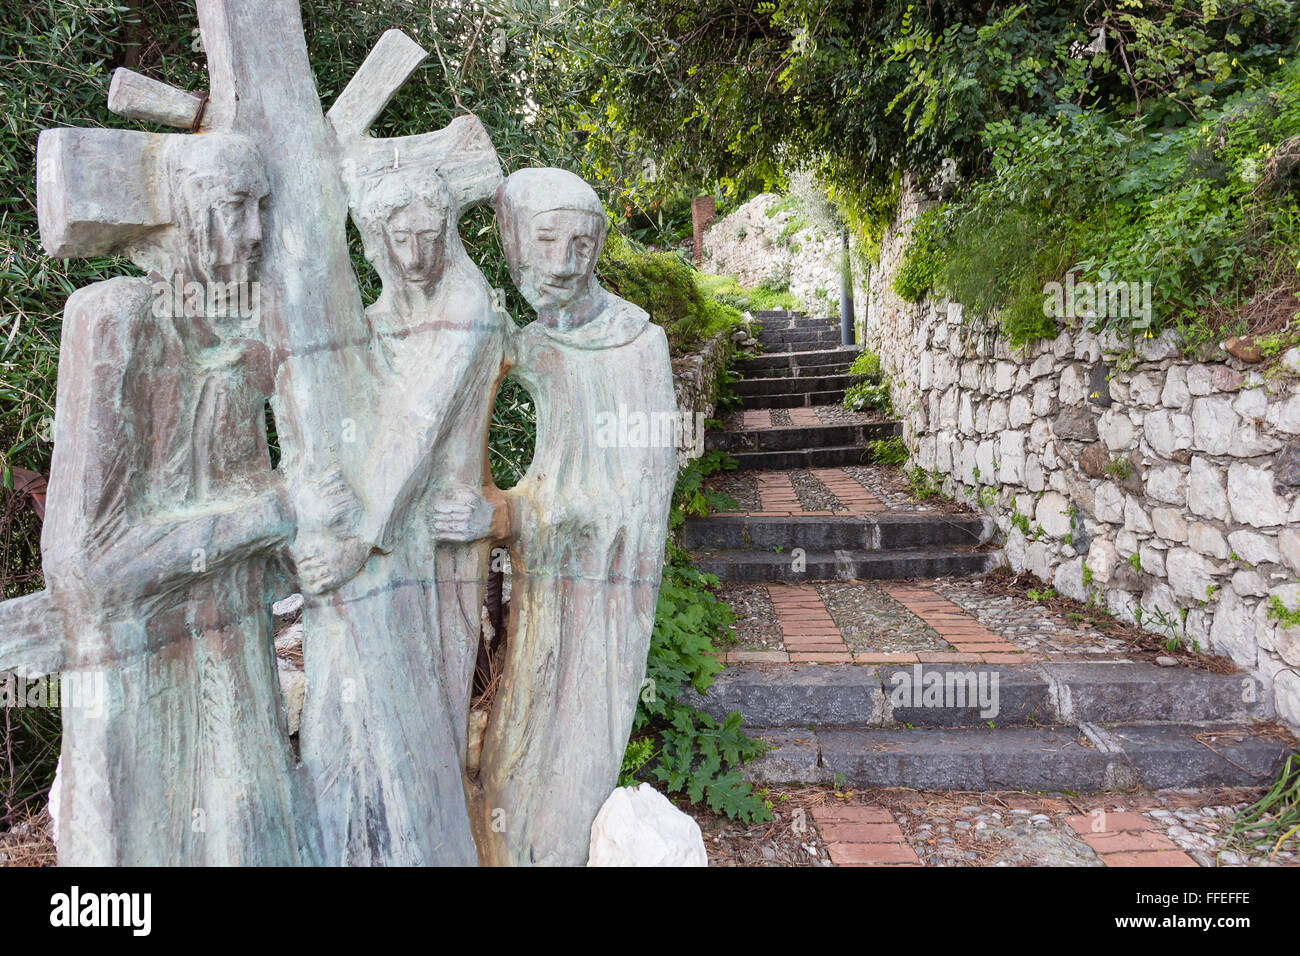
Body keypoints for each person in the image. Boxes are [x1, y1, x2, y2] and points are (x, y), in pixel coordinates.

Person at [44, 133, 319, 865]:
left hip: (234, 650)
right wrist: (267, 516)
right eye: (233, 208)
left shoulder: (248, 324)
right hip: (141, 678)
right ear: (179, 212)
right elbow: (85, 568)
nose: (257, 231)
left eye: (261, 207)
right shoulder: (117, 319)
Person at [293, 167, 506, 865]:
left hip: (432, 536)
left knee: (434, 698)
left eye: (429, 234)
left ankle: (425, 840)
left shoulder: (465, 304)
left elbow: (418, 422)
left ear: (449, 232)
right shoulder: (380, 309)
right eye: (400, 237)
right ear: (378, 240)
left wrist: (359, 537)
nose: (416, 253)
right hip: (383, 530)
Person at [475, 167, 678, 866]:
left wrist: (526, 515)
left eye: (580, 244)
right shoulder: (522, 345)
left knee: (581, 730)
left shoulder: (638, 344)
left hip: (603, 590)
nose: (562, 264)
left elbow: (646, 488)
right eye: (545, 240)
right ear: (514, 245)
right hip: (540, 582)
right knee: (516, 735)